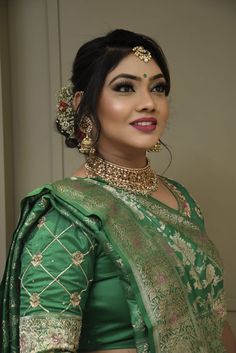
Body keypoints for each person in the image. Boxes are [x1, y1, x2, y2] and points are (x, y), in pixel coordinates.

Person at [0, 29, 235, 353]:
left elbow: (213, 319)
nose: (148, 103)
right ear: (84, 103)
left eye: (158, 88)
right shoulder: (66, 215)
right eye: (125, 87)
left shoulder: (182, 200)